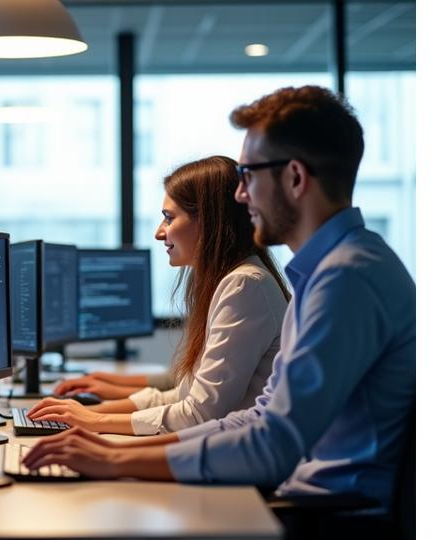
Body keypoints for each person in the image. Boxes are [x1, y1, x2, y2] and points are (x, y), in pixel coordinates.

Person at [23, 85, 415, 511]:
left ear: (295, 178)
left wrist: (113, 455)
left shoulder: (345, 279)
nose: (241, 195)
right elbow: (255, 419)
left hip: (330, 516)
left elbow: (270, 445)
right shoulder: (335, 270)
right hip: (308, 500)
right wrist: (109, 447)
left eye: (248, 175)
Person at [29, 155, 291, 436]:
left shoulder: (244, 286)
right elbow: (183, 395)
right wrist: (86, 413)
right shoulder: (229, 281)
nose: (159, 232)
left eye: (169, 217)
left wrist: (94, 421)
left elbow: (198, 414)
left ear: (209, 219)